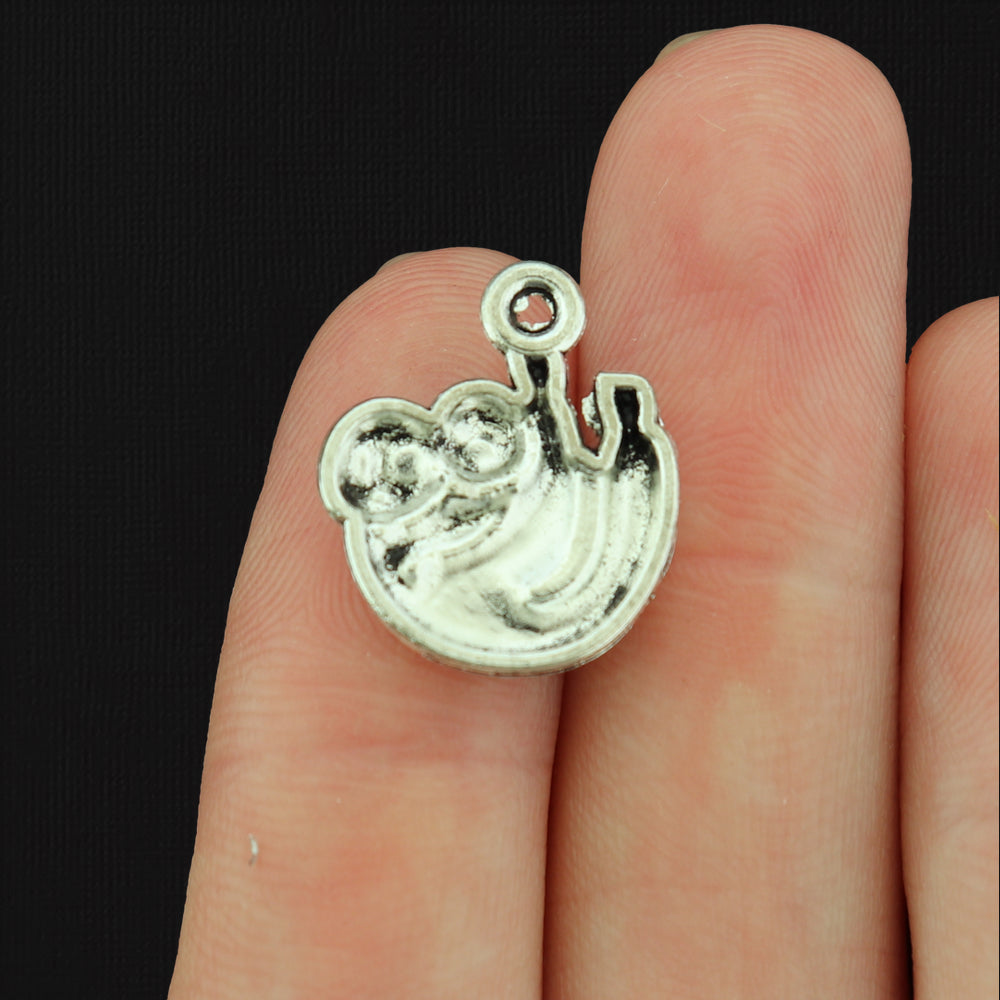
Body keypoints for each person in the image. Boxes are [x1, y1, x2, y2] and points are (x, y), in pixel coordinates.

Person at [168, 26, 998, 998]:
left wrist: (548, 396)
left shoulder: (477, 477)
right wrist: (547, 405)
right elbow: (519, 491)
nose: (416, 459)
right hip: (556, 557)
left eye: (404, 444)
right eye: (390, 474)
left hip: (577, 537)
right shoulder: (424, 552)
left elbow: (531, 462)